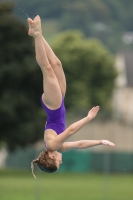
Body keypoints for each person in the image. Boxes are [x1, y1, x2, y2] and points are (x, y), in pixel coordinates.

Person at [27, 15, 115, 179]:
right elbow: (80, 144)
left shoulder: (53, 144)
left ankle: (37, 35)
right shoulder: (58, 147)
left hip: (53, 106)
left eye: (58, 163)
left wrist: (88, 118)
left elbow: (71, 130)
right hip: (59, 102)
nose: (61, 161)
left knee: (47, 69)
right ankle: (36, 34)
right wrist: (100, 141)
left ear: (52, 158)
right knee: (57, 63)